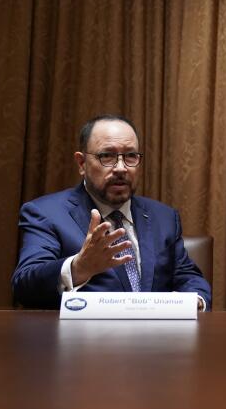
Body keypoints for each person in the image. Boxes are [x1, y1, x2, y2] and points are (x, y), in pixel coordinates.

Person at [12, 115, 212, 310]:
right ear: (82, 164)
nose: (120, 168)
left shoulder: (164, 218)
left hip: (156, 340)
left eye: (130, 156)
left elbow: (189, 278)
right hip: (82, 341)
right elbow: (24, 286)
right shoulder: (46, 213)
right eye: (106, 156)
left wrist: (196, 301)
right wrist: (78, 268)